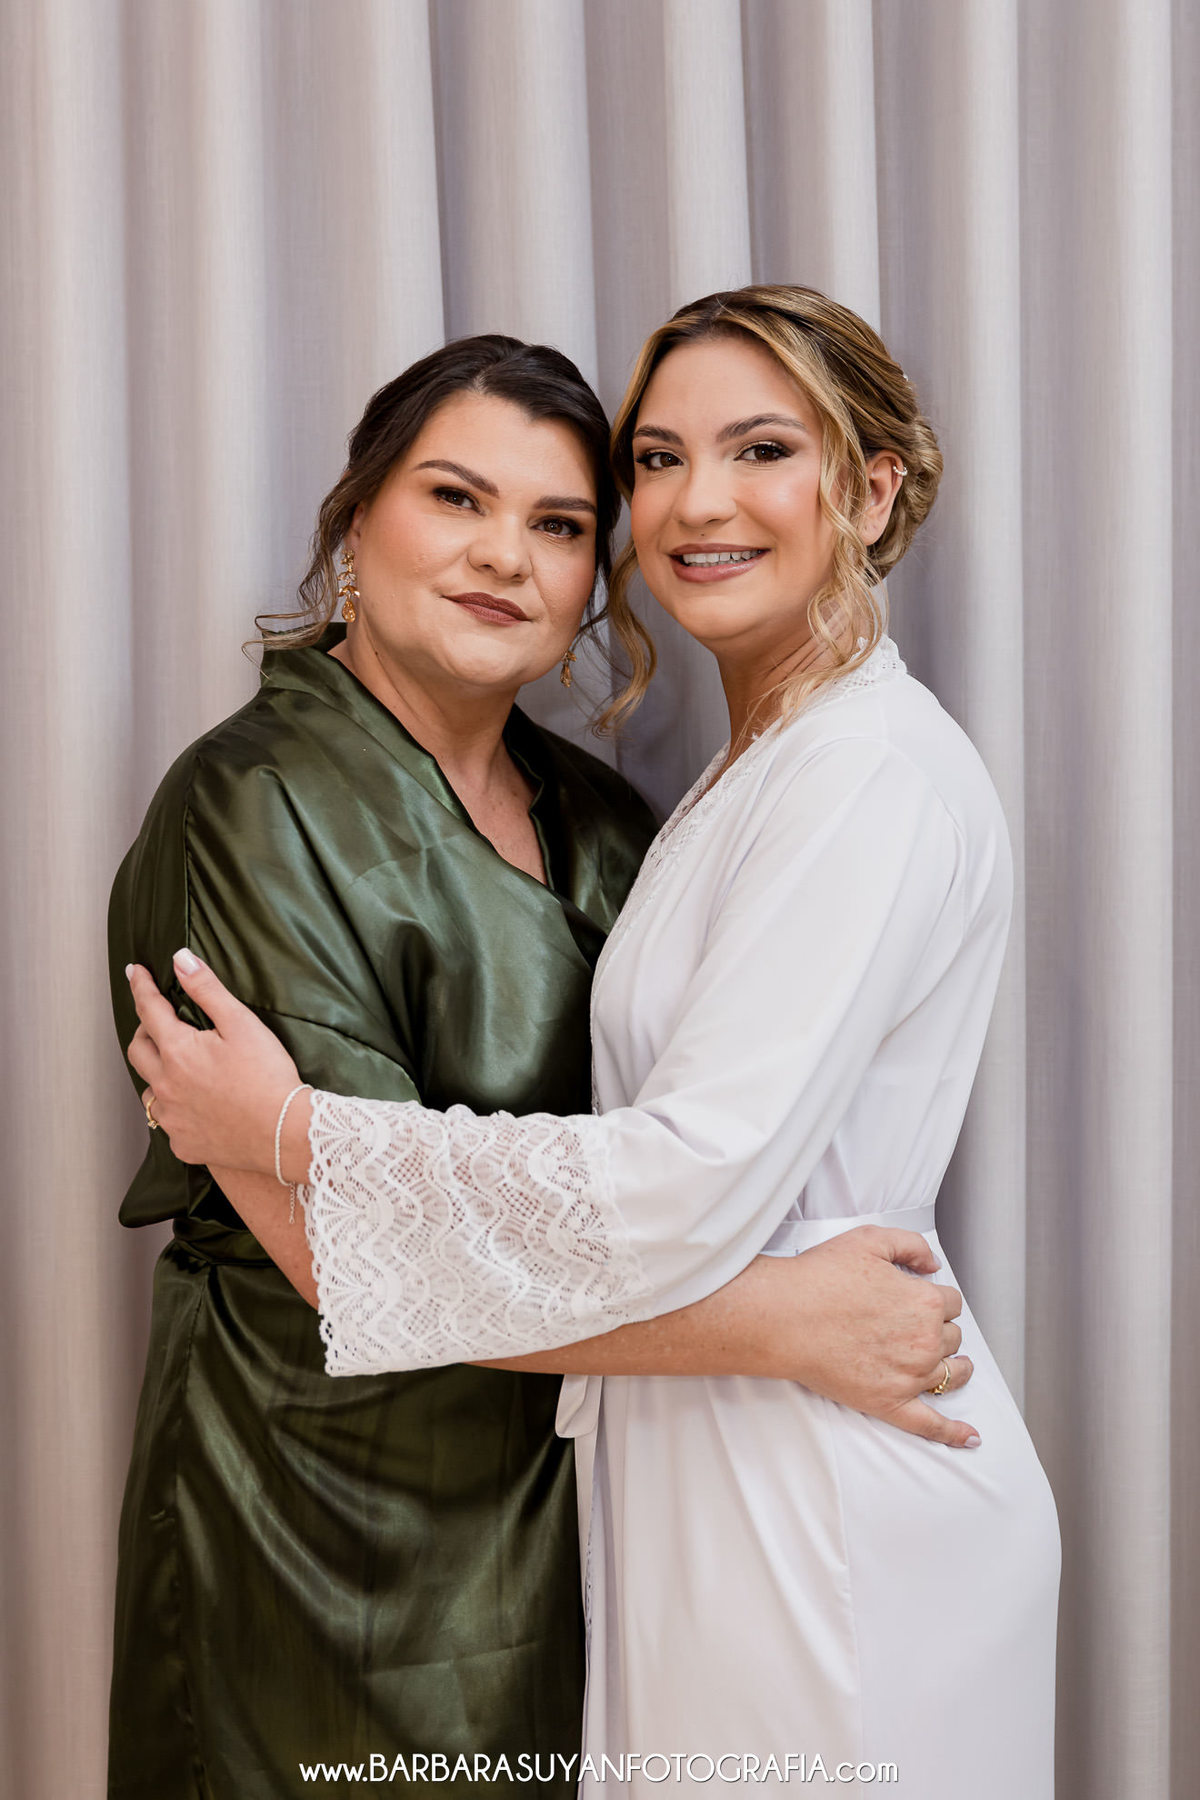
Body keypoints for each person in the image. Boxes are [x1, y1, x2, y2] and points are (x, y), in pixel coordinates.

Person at [110, 329, 976, 1800]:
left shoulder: (615, 822)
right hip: (317, 1516)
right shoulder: (248, 807)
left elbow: (659, 1177)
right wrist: (781, 1324)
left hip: (575, 1509)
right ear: (355, 522)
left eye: (562, 525)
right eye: (456, 498)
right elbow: (337, 1250)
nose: (505, 555)